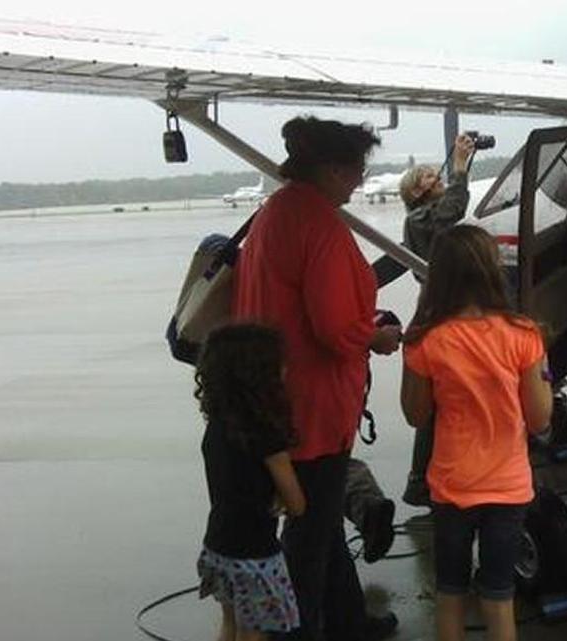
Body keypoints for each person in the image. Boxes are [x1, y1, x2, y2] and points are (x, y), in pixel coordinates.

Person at [232, 115, 402, 641]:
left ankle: (348, 620)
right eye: (356, 169)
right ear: (332, 169)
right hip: (315, 403)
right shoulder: (321, 225)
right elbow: (333, 327)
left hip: (278, 391)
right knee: (307, 534)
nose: (359, 180)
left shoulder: (275, 212)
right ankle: (297, 630)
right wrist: (375, 336)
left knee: (323, 521)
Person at [400, 225, 553, 641]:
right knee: (499, 597)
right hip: (507, 487)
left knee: (450, 593)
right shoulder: (524, 334)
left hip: (452, 485)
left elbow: (415, 415)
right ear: (491, 270)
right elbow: (540, 419)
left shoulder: (426, 341)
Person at [194, 324, 304, 641]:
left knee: (230, 626)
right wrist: (281, 496)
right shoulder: (266, 435)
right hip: (256, 556)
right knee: (254, 634)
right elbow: (297, 505)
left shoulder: (217, 426)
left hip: (218, 546)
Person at [397, 133, 476, 507]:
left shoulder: (423, 219)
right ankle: (422, 479)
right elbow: (452, 209)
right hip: (442, 311)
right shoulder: (420, 218)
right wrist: (459, 166)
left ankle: (425, 477)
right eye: (428, 177)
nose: (436, 178)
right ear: (415, 193)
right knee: (438, 399)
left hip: (440, 307)